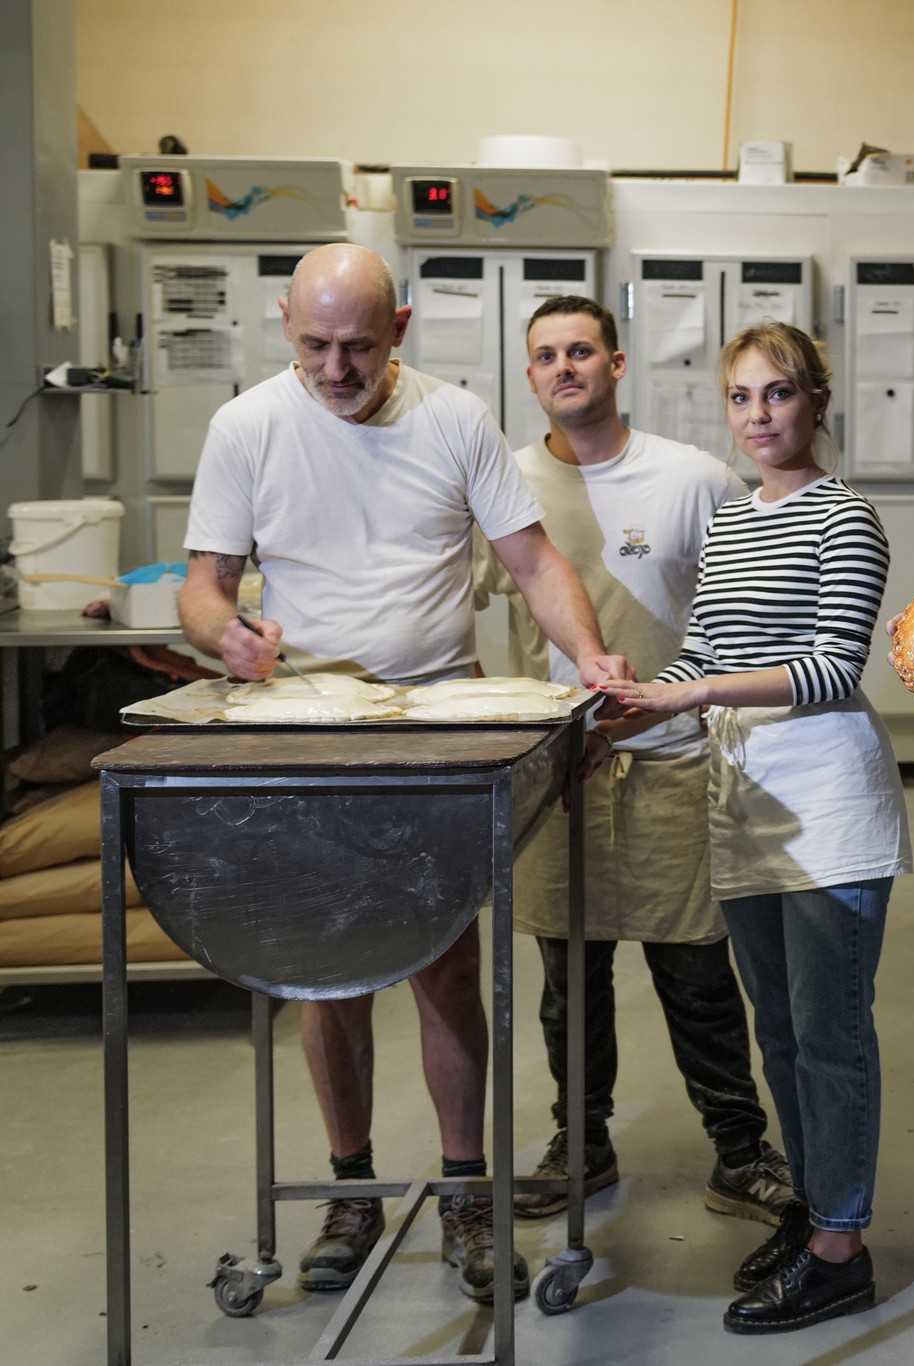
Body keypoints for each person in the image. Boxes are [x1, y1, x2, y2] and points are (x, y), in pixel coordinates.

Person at [177, 243, 629, 1304]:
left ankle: (466, 1191)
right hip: (305, 730)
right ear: (285, 321)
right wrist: (224, 637)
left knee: (443, 969)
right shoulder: (246, 427)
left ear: (404, 329)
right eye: (315, 346)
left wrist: (589, 656)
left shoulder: (452, 419)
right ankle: (351, 1187)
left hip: (436, 724)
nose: (336, 369)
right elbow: (204, 587)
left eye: (360, 348)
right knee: (324, 976)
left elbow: (533, 564)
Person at [600, 321, 911, 1335]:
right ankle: (817, 1210)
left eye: (777, 393)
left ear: (817, 401)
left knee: (829, 1034)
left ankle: (842, 1248)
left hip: (826, 803)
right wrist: (640, 692)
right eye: (741, 397)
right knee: (777, 1030)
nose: (758, 415)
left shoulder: (844, 517)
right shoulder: (731, 521)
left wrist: (689, 698)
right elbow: (703, 651)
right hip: (742, 802)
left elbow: (831, 667)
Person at [469, 294, 796, 1227]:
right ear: (529, 376)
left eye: (581, 351)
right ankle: (583, 1141)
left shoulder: (689, 477)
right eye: (544, 356)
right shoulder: (508, 486)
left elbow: (747, 598)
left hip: (672, 757)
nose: (563, 367)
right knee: (569, 977)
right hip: (559, 769)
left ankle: (739, 1150)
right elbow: (470, 594)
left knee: (694, 972)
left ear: (617, 366)